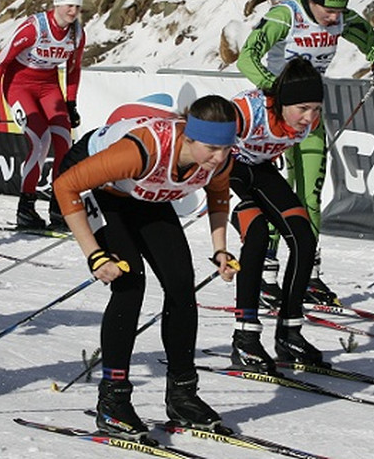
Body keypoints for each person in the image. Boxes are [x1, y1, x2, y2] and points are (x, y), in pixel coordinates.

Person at [53, 95, 240, 439]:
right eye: (212, 149)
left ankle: (183, 394)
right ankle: (113, 400)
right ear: (190, 137)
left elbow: (219, 192)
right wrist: (95, 255)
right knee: (130, 283)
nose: (219, 157)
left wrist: (220, 249)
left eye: (226, 148)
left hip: (142, 191)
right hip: (96, 184)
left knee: (182, 283)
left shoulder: (220, 159)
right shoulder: (145, 149)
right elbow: (66, 186)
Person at [236, 0, 374, 307]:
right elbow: (246, 58)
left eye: (338, 11)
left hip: (309, 118)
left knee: (310, 194)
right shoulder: (285, 16)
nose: (333, 18)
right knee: (276, 194)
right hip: (274, 118)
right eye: (327, 10)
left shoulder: (343, 18)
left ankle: (308, 275)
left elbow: (370, 41)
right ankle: (267, 273)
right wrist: (275, 90)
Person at [227, 59, 326, 373]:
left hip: (259, 170)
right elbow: (198, 135)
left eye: (316, 108)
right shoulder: (246, 110)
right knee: (256, 234)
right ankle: (245, 338)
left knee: (304, 238)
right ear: (282, 102)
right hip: (224, 172)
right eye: (302, 108)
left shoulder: (306, 122)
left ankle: (289, 333)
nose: (309, 118)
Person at [0, 0, 86, 230]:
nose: (73, 12)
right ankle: (26, 208)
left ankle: (59, 207)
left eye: (77, 7)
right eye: (68, 6)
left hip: (49, 87)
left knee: (64, 142)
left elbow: (73, 69)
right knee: (41, 141)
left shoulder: (77, 33)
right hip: (19, 85)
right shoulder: (35, 28)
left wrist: (70, 103)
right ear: (57, 5)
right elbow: (0, 62)